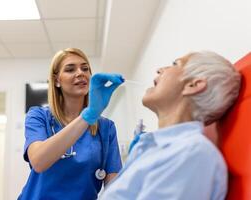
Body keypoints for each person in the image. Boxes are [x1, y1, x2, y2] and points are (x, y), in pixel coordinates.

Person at [99, 51, 241, 200]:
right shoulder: (156, 147)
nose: (160, 69)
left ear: (193, 85)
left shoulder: (191, 153)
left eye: (175, 64)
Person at [18, 48, 124, 200]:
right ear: (56, 80)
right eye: (70, 69)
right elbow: (39, 162)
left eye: (85, 68)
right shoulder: (39, 116)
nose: (80, 73)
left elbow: (113, 187)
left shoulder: (106, 128)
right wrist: (88, 116)